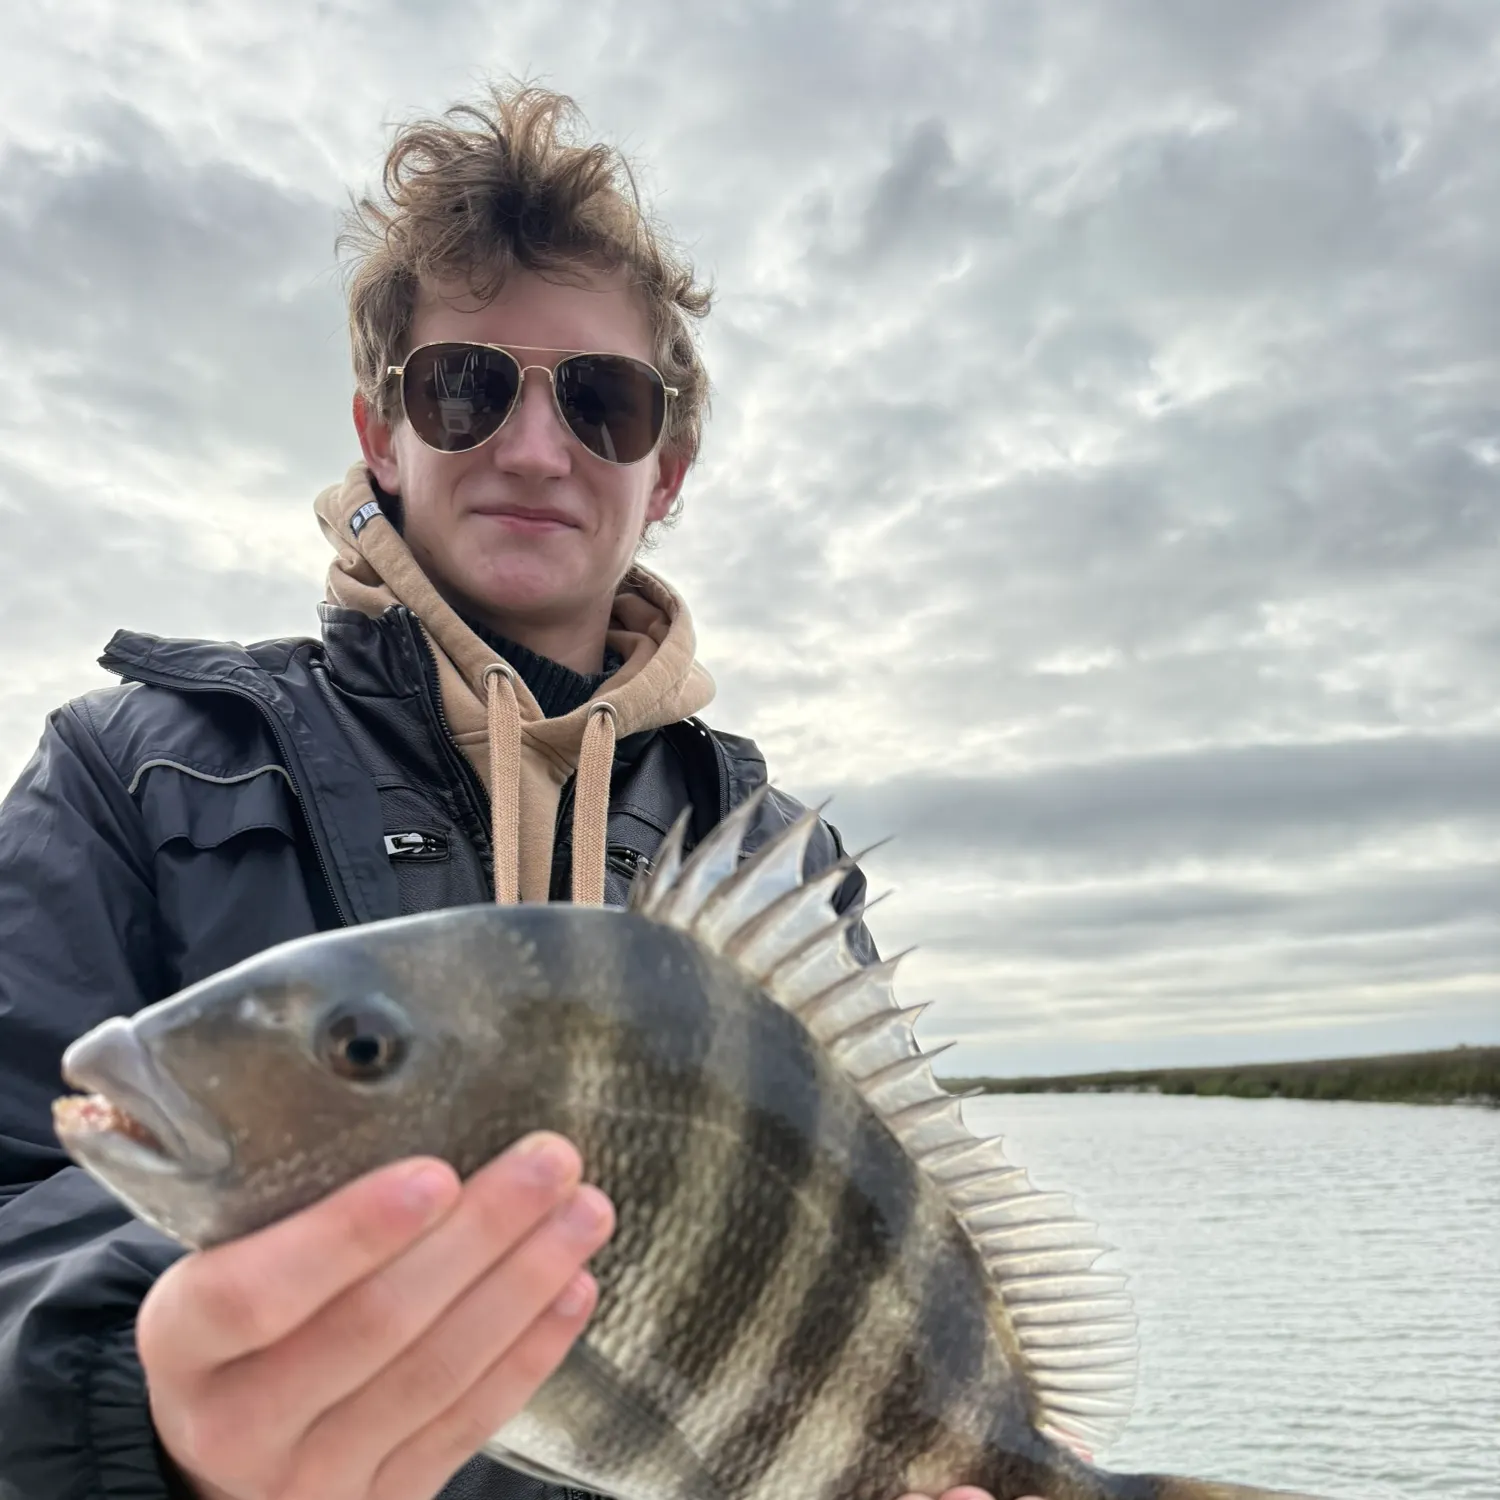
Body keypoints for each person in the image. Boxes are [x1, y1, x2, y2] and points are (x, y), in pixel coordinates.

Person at [0, 84, 1029, 1500]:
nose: (536, 448)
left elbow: (911, 1268)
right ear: (381, 433)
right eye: (468, 386)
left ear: (663, 471)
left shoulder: (777, 861)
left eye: (601, 401)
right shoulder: (134, 774)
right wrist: (137, 1413)